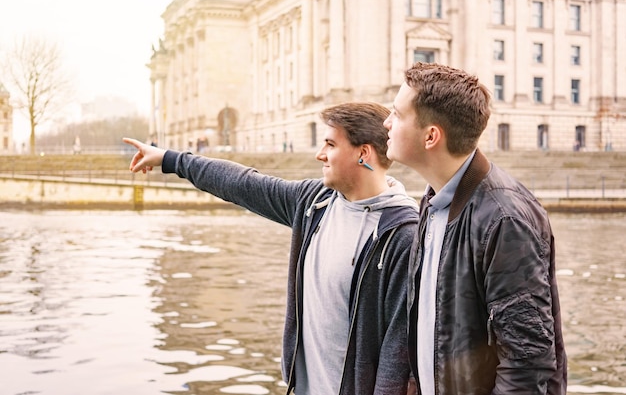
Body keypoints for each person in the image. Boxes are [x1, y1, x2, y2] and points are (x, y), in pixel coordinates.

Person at [123, 102, 419, 394]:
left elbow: (398, 354)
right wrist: (170, 160)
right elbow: (243, 184)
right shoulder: (313, 203)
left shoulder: (402, 235)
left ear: (363, 154)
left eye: (330, 144)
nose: (320, 155)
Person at [383, 62, 567, 394]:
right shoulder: (434, 199)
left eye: (396, 114)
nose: (386, 123)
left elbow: (527, 362)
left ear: (431, 136)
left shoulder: (504, 219)